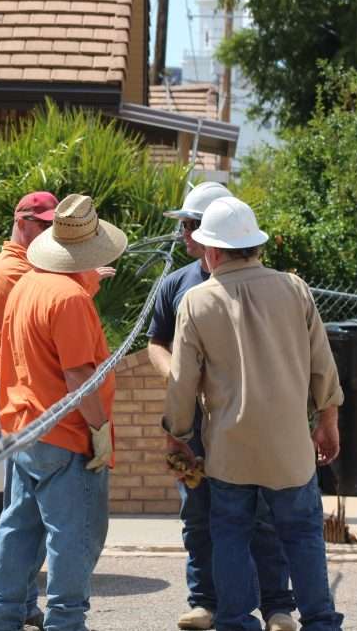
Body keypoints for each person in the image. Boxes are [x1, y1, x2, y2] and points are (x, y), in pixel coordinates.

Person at [163, 197, 345, 631]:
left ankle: (236, 621)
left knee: (229, 533)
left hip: (230, 448)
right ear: (254, 245)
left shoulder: (196, 301)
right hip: (290, 447)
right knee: (302, 534)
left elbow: (182, 381)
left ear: (213, 251)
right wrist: (328, 421)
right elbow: (322, 363)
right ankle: (320, 621)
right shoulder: (294, 289)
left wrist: (177, 436)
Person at [146, 183, 297, 631]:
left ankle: (277, 607)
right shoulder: (176, 285)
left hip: (243, 420)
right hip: (196, 425)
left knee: (263, 517)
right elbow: (157, 342)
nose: (185, 235)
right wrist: (179, 379)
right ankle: (205, 603)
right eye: (184, 226)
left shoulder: (262, 282)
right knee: (198, 515)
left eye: (190, 225)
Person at [0, 192, 115, 628]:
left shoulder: (28, 284)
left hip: (25, 426)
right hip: (64, 433)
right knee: (75, 537)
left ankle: (1, 616)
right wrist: (99, 429)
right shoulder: (69, 297)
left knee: (19, 528)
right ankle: (66, 621)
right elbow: (78, 377)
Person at [0, 191, 59, 628]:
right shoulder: (14, 269)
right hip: (18, 401)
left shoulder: (29, 265)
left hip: (20, 399)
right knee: (30, 511)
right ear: (22, 222)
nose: (52, 231)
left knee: (28, 509)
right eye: (44, 224)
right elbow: (48, 307)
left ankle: (2, 596)